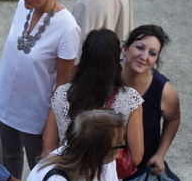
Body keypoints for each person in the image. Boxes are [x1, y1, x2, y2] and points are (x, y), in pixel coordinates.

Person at [0, 0, 82, 181]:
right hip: (6, 101)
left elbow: (62, 86)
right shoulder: (25, 5)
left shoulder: (68, 28)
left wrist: (50, 130)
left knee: (40, 171)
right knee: (8, 159)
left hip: (34, 113)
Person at [106, 25, 182, 181]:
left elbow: (173, 119)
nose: (144, 56)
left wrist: (160, 153)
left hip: (137, 168)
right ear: (125, 48)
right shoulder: (107, 75)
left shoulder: (164, 90)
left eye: (152, 53)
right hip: (103, 161)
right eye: (139, 47)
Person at [41, 29, 145, 164]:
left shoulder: (62, 93)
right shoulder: (130, 99)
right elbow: (136, 158)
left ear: (83, 57)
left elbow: (48, 148)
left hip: (68, 170)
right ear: (115, 60)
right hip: (106, 174)